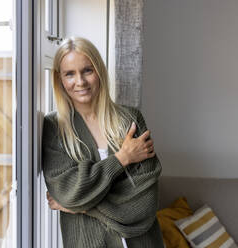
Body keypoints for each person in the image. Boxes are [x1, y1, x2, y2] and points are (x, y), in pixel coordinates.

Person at [41, 37, 164, 248]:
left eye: (87, 70)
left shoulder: (130, 121)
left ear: (99, 71)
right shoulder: (54, 128)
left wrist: (82, 207)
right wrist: (122, 158)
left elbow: (145, 204)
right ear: (59, 79)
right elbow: (69, 194)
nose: (80, 82)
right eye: (70, 74)